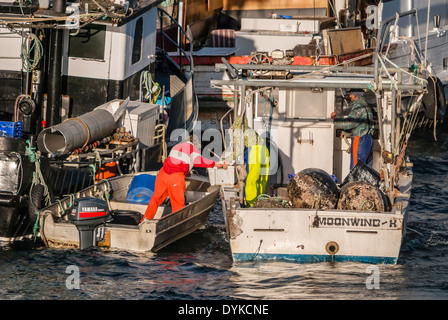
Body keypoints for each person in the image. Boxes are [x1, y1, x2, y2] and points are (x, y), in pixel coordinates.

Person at [140, 135, 227, 222]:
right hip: (175, 177)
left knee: (155, 199)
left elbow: (178, 161)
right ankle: (176, 225)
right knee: (178, 205)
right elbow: (198, 161)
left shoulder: (176, 146)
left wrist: (186, 171)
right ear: (196, 144)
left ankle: (145, 220)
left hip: (162, 174)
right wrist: (214, 163)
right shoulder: (192, 148)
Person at [226, 115, 270, 207]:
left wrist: (227, 161)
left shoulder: (239, 131)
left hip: (255, 151)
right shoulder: (249, 130)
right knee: (261, 178)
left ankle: (251, 203)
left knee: (251, 179)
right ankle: (260, 201)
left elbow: (237, 150)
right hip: (264, 150)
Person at [331, 91, 375, 169]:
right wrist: (346, 132)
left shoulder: (359, 107)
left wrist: (335, 119)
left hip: (360, 140)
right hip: (368, 139)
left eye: (352, 94)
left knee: (356, 168)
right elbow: (362, 124)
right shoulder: (366, 106)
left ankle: (355, 181)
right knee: (366, 169)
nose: (350, 96)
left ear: (356, 96)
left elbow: (350, 122)